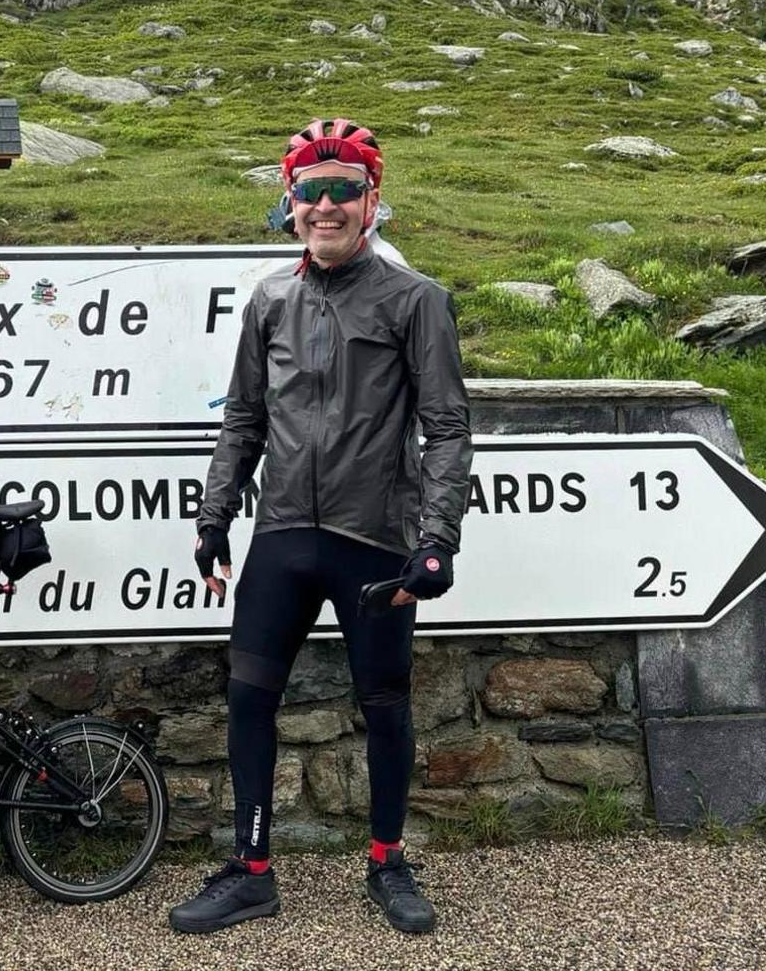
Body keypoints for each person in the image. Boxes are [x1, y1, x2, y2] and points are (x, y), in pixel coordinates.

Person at [169, 118, 473, 936]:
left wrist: (437, 539)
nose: (327, 205)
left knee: (385, 703)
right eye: (312, 190)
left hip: (373, 540)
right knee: (247, 699)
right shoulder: (271, 299)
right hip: (280, 537)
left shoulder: (417, 301)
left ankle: (387, 862)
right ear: (290, 202)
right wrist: (213, 519)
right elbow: (243, 419)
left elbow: (446, 428)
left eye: (345, 189)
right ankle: (253, 870)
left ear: (373, 201)